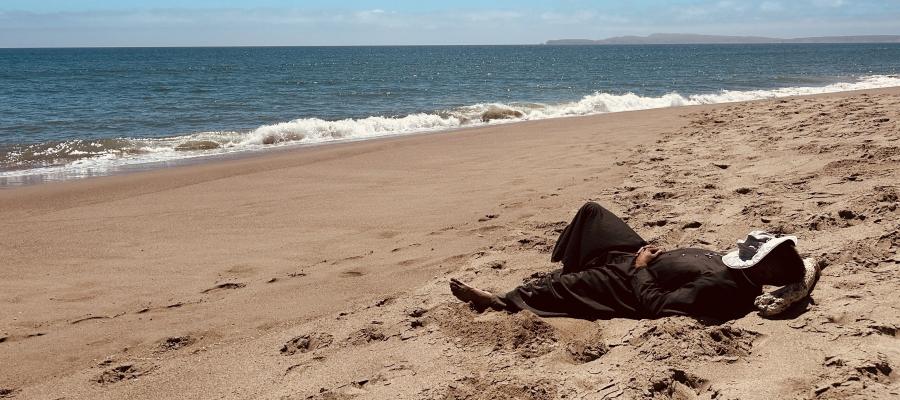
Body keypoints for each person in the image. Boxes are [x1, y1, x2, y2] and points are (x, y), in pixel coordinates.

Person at [450, 202, 809, 321]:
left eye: (757, 253)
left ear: (765, 270)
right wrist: (651, 253)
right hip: (641, 258)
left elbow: (657, 306)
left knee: (552, 286)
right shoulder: (737, 270)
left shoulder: (723, 287)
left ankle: (500, 301)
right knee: (593, 213)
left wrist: (639, 268)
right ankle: (574, 266)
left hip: (627, 281)